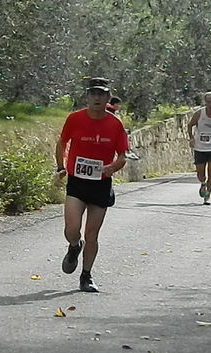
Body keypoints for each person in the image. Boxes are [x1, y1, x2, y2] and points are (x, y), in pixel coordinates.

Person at [54, 77, 128, 292]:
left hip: (100, 184)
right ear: (87, 96)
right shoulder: (75, 119)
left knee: (92, 234)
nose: (97, 98)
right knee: (72, 229)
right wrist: (61, 168)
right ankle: (74, 247)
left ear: (107, 98)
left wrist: (112, 167)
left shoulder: (115, 124)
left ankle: (86, 276)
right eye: (93, 94)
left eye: (101, 94)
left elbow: (123, 154)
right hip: (77, 182)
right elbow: (62, 142)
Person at [106, 95, 140, 161]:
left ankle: (126, 151)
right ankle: (125, 151)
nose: (119, 106)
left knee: (124, 132)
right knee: (123, 134)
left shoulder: (109, 110)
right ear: (115, 104)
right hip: (108, 132)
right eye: (118, 104)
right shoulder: (110, 111)